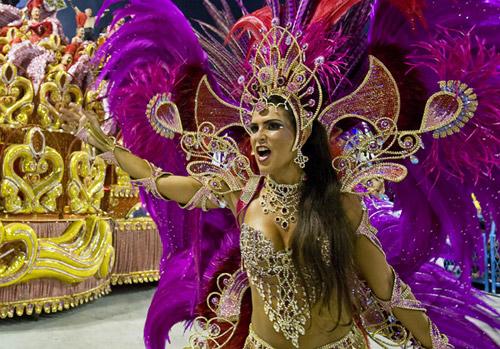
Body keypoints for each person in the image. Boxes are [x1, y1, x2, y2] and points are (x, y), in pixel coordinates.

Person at [63, 0, 499, 348]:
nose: (257, 136)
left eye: (271, 124)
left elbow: (389, 291)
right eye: (252, 126)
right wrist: (109, 148)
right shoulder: (241, 193)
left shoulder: (342, 204)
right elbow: (159, 182)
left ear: (301, 133)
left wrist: (437, 344)